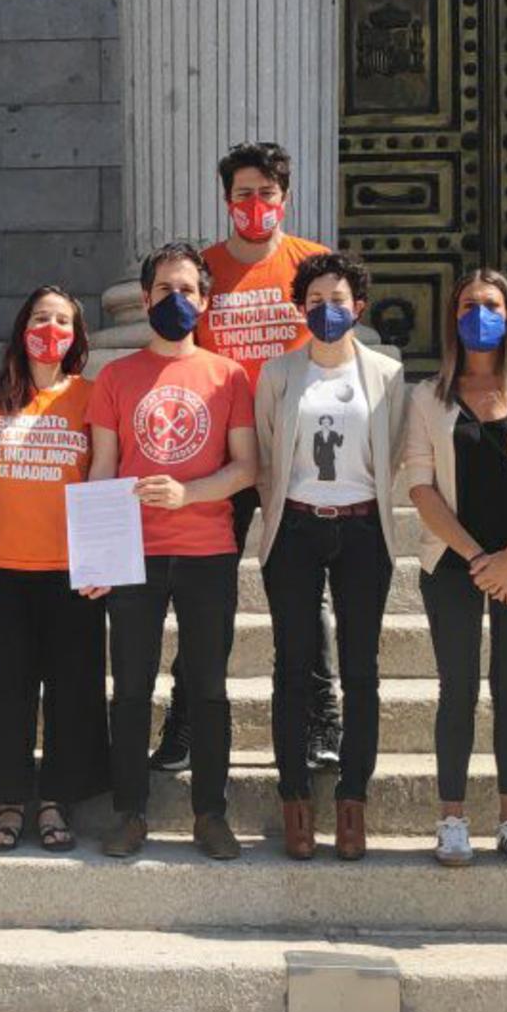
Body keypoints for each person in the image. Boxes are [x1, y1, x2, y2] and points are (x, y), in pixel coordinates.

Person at [152, 141, 344, 775]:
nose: (255, 204)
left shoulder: (311, 264)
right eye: (243, 194)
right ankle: (184, 723)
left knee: (306, 592)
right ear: (226, 199)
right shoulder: (202, 271)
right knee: (205, 592)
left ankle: (323, 720)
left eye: (266, 193)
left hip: (297, 452)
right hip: (221, 458)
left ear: (284, 198)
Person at [88, 243, 258, 861]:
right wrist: (97, 557)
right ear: (145, 297)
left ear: (205, 300)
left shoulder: (229, 375)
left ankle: (210, 814)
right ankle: (129, 813)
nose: (176, 299)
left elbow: (246, 468)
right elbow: (103, 470)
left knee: (208, 688)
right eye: (164, 289)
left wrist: (189, 494)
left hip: (208, 550)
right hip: (133, 554)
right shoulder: (114, 378)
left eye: (187, 290)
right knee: (131, 688)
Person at [401, 269, 507, 868]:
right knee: (458, 689)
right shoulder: (428, 395)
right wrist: (478, 559)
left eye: (491, 305)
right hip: (453, 560)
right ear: (453, 317)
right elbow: (420, 487)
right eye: (469, 305)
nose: (480, 315)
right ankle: (452, 819)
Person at [253, 251, 406, 861]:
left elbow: (393, 450)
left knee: (361, 669)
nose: (327, 310)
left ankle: (352, 801)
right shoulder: (278, 373)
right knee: (291, 668)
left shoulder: (387, 374)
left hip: (363, 530)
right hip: (295, 528)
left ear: (358, 306)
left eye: (338, 300)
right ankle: (294, 799)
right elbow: (267, 454)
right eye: (315, 301)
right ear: (300, 308)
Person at [0, 286, 109, 853]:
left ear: (77, 335)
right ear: (22, 327)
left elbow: (103, 475)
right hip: (0, 563)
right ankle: (8, 799)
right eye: (41, 318)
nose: (51, 329)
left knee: (73, 687)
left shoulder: (92, 396)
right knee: (6, 687)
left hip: (73, 567)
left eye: (63, 320)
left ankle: (56, 800)